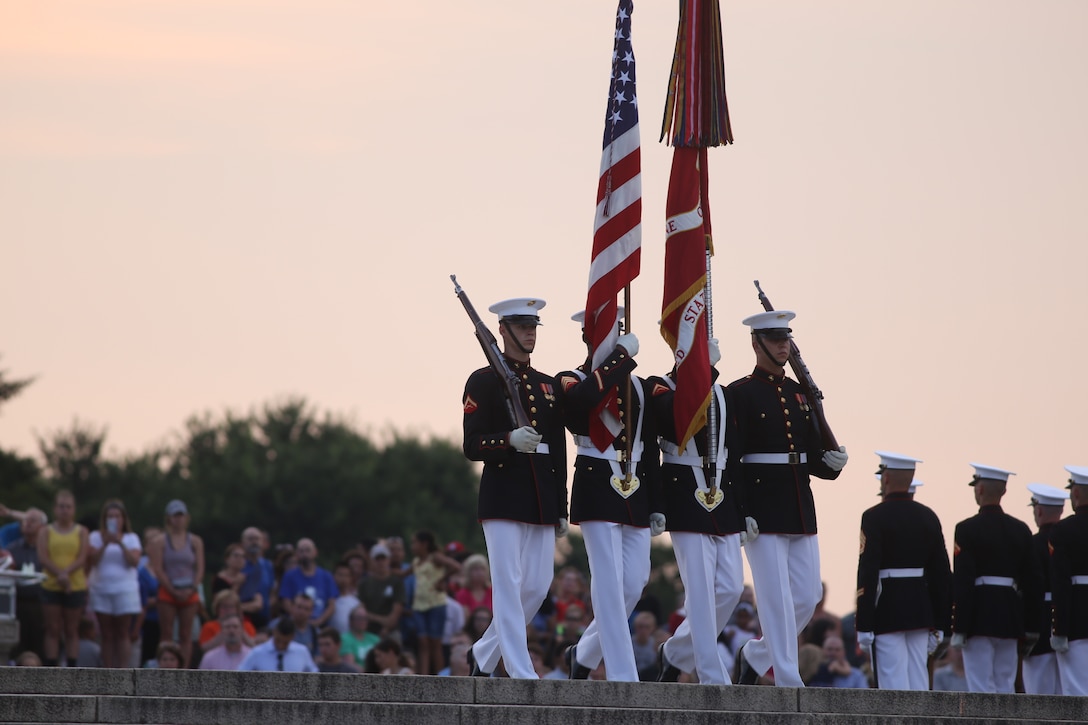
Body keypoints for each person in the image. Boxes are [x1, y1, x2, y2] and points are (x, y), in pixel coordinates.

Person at [728, 310, 849, 688]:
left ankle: (755, 654)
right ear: (756, 342)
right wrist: (742, 510)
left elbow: (811, 455)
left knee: (808, 595)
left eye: (786, 338)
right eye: (775, 338)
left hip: (799, 503)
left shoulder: (800, 394)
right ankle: (785, 674)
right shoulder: (740, 392)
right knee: (775, 598)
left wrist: (832, 464)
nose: (783, 345)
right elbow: (732, 459)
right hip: (762, 506)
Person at [461, 296, 568, 679]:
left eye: (533, 327)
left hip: (540, 496)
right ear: (502, 331)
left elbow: (557, 449)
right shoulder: (484, 380)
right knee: (508, 584)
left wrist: (561, 507)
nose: (529, 333)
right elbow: (472, 444)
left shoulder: (547, 384)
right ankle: (520, 669)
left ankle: (484, 654)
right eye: (522, 327)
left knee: (537, 587)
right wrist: (507, 439)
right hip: (503, 494)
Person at [556, 308, 662, 683]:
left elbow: (649, 445)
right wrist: (619, 358)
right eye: (606, 333)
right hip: (597, 480)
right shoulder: (571, 378)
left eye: (617, 330)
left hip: (634, 486)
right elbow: (582, 403)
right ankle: (622, 673)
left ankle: (583, 653)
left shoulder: (637, 385)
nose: (613, 337)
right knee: (608, 580)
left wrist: (657, 501)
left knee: (634, 582)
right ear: (588, 337)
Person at [648, 336, 750, 685]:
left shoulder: (723, 394)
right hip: (684, 492)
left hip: (721, 494)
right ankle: (710, 672)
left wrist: (743, 509)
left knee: (731, 588)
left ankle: (676, 652)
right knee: (702, 590)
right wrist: (705, 374)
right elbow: (679, 419)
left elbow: (733, 454)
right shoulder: (660, 387)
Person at [855, 452, 951, 691]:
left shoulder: (874, 517)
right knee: (918, 675)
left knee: (891, 679)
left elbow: (868, 572)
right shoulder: (928, 516)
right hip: (920, 608)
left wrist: (864, 623)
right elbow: (941, 574)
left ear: (885, 478)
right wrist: (942, 622)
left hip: (887, 607)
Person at [949, 463, 1037, 694]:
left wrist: (959, 626)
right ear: (1004, 491)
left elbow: (964, 581)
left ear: (979, 490)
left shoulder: (966, 529)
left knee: (980, 686)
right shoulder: (1021, 530)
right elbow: (1032, 581)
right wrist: (1030, 624)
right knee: (1005, 684)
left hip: (978, 615)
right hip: (1010, 615)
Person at [1021, 482, 1069, 695]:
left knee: (1037, 691)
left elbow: (1027, 586)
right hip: (1070, 620)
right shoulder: (1072, 541)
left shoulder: (1031, 544)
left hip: (1038, 622)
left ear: (1038, 510)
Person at [146, 499, 205, 668]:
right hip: (168, 590)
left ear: (187, 518)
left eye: (181, 516)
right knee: (167, 633)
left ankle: (183, 669)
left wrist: (193, 588)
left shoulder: (195, 541)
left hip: (189, 589)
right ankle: (164, 666)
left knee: (186, 634)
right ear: (169, 519)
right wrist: (172, 589)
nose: (178, 520)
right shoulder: (160, 542)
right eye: (175, 516)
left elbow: (200, 568)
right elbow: (158, 569)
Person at [86, 499, 143, 669]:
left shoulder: (131, 538)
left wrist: (120, 543)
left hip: (124, 589)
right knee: (106, 634)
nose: (114, 519)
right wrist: (105, 543)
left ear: (123, 519)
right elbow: (93, 560)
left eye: (117, 516)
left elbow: (134, 561)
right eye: (110, 516)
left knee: (122, 632)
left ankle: (122, 669)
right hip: (101, 589)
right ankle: (108, 670)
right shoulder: (95, 537)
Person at [37, 489, 89, 668]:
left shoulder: (81, 531)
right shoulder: (46, 531)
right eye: (61, 506)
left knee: (72, 629)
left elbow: (82, 558)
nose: (64, 510)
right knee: (52, 628)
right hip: (51, 585)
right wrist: (60, 575)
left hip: (74, 586)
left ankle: (72, 667)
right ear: (55, 509)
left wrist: (66, 574)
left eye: (68, 507)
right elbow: (43, 557)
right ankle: (51, 666)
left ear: (74, 509)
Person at [1049, 465, 1088, 696]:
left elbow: (1061, 583)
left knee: (1076, 691)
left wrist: (1059, 628)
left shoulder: (1063, 531)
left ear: (1074, 494)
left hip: (1077, 618)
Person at [408, 530, 461, 675]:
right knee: (423, 643)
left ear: (424, 544)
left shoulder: (435, 557)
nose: (412, 546)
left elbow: (456, 566)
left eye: (414, 543)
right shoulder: (417, 562)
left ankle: (440, 675)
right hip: (419, 605)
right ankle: (424, 675)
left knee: (435, 643)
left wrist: (442, 580)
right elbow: (405, 573)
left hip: (436, 603)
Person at [6, 506, 47, 661]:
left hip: (42, 604)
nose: (27, 523)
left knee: (40, 644)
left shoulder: (49, 549)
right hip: (18, 605)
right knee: (17, 646)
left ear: (43, 526)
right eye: (24, 520)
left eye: (32, 521)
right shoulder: (12, 549)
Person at [277, 538, 337, 628]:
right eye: (301, 551)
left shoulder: (326, 576)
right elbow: (286, 602)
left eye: (308, 550)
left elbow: (332, 605)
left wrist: (319, 621)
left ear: (315, 552)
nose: (305, 554)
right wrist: (301, 619)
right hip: (296, 625)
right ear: (297, 554)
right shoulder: (289, 576)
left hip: (320, 626)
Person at [358, 543, 405, 640]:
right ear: (371, 561)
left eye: (383, 559)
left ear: (389, 560)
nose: (380, 562)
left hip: (391, 631)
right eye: (377, 559)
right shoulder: (363, 583)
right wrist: (383, 620)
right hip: (368, 631)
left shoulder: (396, 582)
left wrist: (386, 628)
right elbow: (362, 611)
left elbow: (396, 611)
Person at [239, 617, 318, 672]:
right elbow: (240, 675)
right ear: (274, 632)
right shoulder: (257, 653)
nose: (281, 645)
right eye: (278, 640)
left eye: (285, 643)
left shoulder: (302, 652)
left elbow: (315, 676)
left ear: (292, 637)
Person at [240, 527, 274, 629]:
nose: (254, 542)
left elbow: (272, 591)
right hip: (243, 619)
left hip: (265, 620)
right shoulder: (238, 565)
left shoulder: (268, 566)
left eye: (257, 539)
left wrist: (267, 605)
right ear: (243, 543)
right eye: (250, 539)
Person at [340, 604, 380, 669]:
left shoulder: (375, 639)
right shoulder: (344, 639)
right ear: (351, 621)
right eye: (359, 618)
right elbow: (350, 664)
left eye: (365, 618)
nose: (362, 621)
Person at [329, 562, 361, 635]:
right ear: (333, 576)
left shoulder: (356, 603)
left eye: (346, 576)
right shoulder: (328, 600)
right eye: (340, 575)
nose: (343, 579)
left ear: (351, 578)